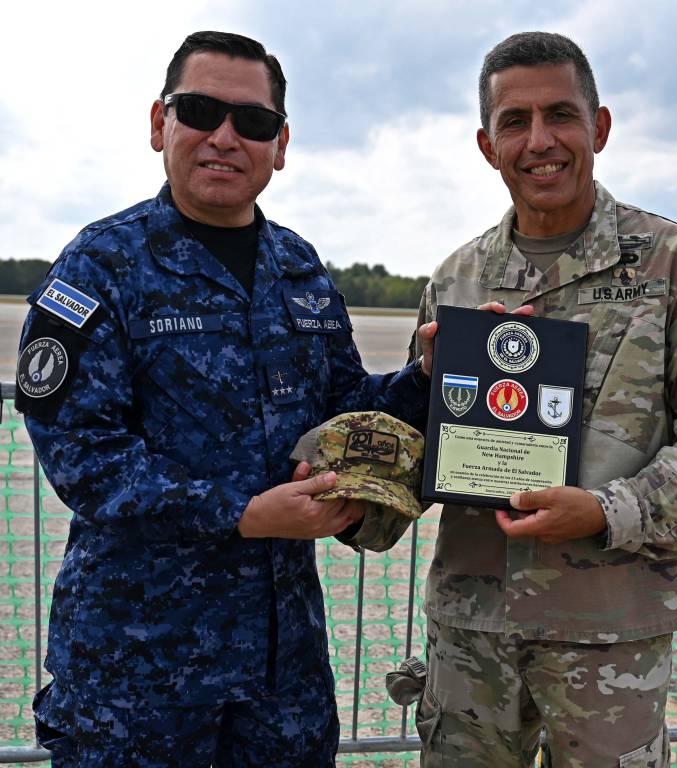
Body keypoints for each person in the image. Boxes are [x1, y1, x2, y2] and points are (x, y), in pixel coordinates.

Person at [15, 30, 435, 768]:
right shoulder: (102, 264)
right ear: (159, 124)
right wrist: (241, 513)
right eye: (201, 110)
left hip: (281, 675)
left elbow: (343, 413)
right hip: (138, 677)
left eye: (253, 121)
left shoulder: (298, 266)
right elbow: (85, 456)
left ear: (280, 143)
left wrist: (428, 380)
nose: (225, 137)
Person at [349, 32, 677, 767]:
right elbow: (427, 436)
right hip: (473, 630)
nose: (540, 141)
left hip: (611, 632)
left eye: (560, 115)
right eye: (515, 122)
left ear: (598, 127)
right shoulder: (457, 279)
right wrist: (352, 487)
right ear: (487, 144)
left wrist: (607, 512)